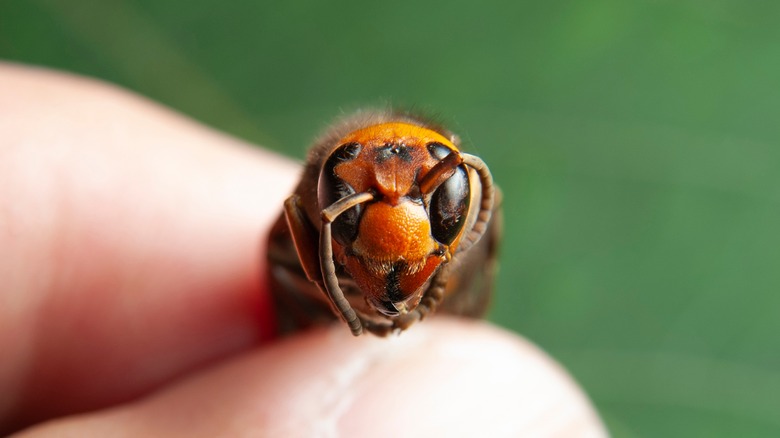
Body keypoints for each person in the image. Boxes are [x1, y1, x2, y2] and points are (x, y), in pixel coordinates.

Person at [0, 62, 606, 437]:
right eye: (359, 198)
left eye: (436, 199)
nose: (400, 221)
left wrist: (455, 279)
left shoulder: (461, 200)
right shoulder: (298, 228)